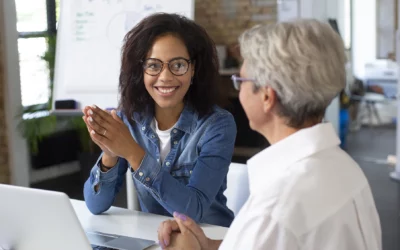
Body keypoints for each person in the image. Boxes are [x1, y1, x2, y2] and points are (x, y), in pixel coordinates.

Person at [158, 19, 382, 250]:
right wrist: (208, 245)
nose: (239, 88)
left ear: (267, 96)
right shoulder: (344, 167)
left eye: (241, 80)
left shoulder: (276, 208)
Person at [82, 13, 237, 228]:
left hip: (211, 239)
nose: (165, 77)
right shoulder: (131, 119)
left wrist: (133, 153)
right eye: (154, 65)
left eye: (178, 65)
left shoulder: (217, 124)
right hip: (155, 239)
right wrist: (110, 153)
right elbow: (95, 204)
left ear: (194, 69)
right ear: (141, 71)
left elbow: (194, 211)